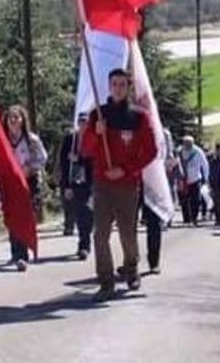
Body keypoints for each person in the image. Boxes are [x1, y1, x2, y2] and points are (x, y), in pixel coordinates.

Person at [81, 68, 158, 302]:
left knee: (127, 233)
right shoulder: (98, 115)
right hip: (102, 184)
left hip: (127, 184)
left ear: (128, 87)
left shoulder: (139, 117)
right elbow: (85, 150)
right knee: (100, 235)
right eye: (114, 84)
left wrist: (125, 169)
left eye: (122, 84)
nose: (117, 88)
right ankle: (106, 282)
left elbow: (151, 151)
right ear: (109, 86)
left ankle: (131, 268)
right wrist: (96, 133)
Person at [3, 105, 48, 272]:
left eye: (17, 117)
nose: (14, 120)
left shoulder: (31, 140)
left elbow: (42, 158)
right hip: (10, 183)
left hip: (29, 181)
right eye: (11, 117)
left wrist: (30, 168)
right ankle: (17, 253)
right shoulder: (3, 140)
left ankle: (23, 251)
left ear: (23, 120)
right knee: (13, 217)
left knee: (26, 215)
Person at [58, 112, 94, 261]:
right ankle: (83, 244)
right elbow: (64, 163)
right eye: (81, 122)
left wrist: (79, 158)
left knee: (88, 212)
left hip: (90, 181)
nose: (83, 125)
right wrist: (66, 186)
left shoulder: (94, 138)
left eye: (86, 122)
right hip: (74, 181)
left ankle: (86, 242)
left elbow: (94, 160)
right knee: (80, 212)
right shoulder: (70, 139)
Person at [178, 135, 209, 226]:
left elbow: (204, 164)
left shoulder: (198, 152)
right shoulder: (179, 151)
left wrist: (206, 177)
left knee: (195, 200)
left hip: (195, 179)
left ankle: (194, 218)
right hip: (183, 180)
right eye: (186, 143)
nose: (187, 145)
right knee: (184, 200)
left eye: (189, 143)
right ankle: (186, 219)